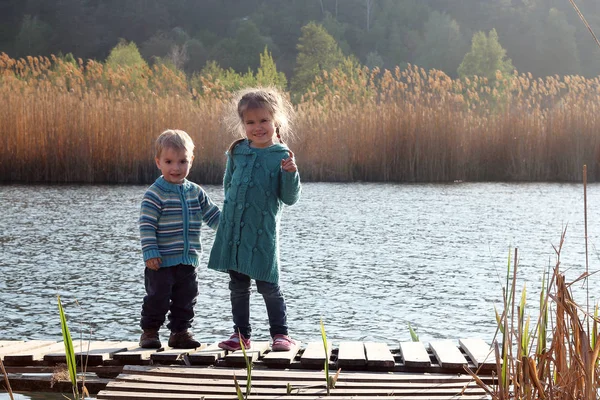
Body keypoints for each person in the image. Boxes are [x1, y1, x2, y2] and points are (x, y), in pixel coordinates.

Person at [208, 87, 301, 352]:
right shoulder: (237, 152)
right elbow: (229, 188)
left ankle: (280, 334)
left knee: (269, 286)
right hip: (235, 234)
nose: (257, 127)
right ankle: (241, 335)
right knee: (237, 287)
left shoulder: (282, 156)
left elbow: (290, 197)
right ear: (243, 124)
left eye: (263, 121)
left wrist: (291, 174)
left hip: (262, 235)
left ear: (276, 121)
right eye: (250, 122)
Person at [138, 129, 220, 349]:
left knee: (187, 297)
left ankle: (180, 332)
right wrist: (150, 252)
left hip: (188, 259)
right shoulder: (155, 194)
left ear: (191, 161)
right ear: (158, 163)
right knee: (157, 298)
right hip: (161, 261)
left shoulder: (195, 191)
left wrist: (229, 227)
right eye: (169, 161)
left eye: (182, 161)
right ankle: (150, 332)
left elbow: (212, 215)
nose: (176, 167)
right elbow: (146, 226)